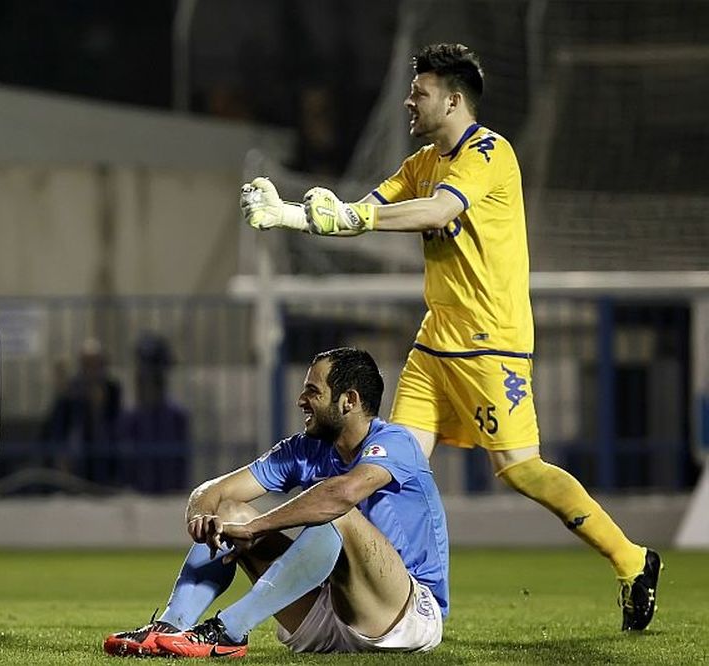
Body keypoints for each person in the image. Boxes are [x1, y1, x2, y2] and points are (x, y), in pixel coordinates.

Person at [240, 43, 660, 631]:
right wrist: (287, 214)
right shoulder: (422, 161)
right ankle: (393, 603)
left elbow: (436, 212)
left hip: (491, 343)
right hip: (436, 343)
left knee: (520, 469)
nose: (410, 99)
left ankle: (632, 560)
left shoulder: (490, 153)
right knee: (388, 463)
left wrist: (353, 217)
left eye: (421, 90)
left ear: (454, 99)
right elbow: (364, 209)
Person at [104, 347, 448, 657]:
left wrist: (255, 528)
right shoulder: (304, 449)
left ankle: (229, 631)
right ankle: (170, 627)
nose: (300, 400)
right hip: (326, 610)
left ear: (349, 400)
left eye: (313, 391)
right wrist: (201, 518)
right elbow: (212, 492)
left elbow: (341, 495)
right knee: (229, 511)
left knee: (339, 513)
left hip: (402, 618)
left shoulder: (396, 442)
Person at [115, 333, 190, 492]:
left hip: (166, 492)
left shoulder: (175, 417)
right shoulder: (132, 418)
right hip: (139, 491)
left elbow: (180, 463)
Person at [43, 338, 121, 483]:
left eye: (96, 364)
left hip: (106, 448)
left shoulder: (112, 389)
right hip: (78, 452)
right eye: (87, 365)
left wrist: (98, 409)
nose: (92, 370)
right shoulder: (72, 391)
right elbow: (59, 426)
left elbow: (117, 422)